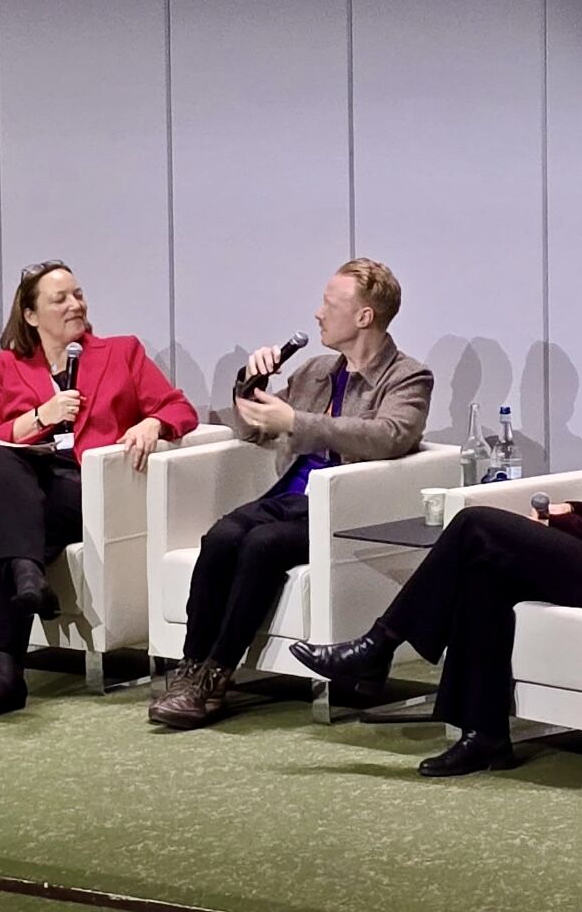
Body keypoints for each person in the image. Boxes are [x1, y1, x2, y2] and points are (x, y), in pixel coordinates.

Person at [291, 307, 582, 777]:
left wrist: (562, 526)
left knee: (474, 525)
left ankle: (378, 646)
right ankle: (483, 735)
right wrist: (573, 510)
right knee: (483, 573)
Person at [148, 258, 433, 730]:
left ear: (364, 316)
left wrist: (297, 422)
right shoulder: (317, 370)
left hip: (340, 509)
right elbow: (252, 428)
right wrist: (250, 384)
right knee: (221, 537)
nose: (318, 313)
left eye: (329, 304)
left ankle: (216, 676)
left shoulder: (407, 377)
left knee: (262, 545)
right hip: (289, 497)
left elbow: (391, 436)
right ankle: (190, 667)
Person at [0, 260, 199, 719]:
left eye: (78, 295)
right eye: (59, 299)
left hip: (82, 491)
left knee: (6, 527)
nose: (75, 305)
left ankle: (6, 667)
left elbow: (180, 409)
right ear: (30, 316)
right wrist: (38, 418)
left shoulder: (121, 352)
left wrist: (153, 423)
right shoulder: (7, 366)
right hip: (17, 485)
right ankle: (26, 575)